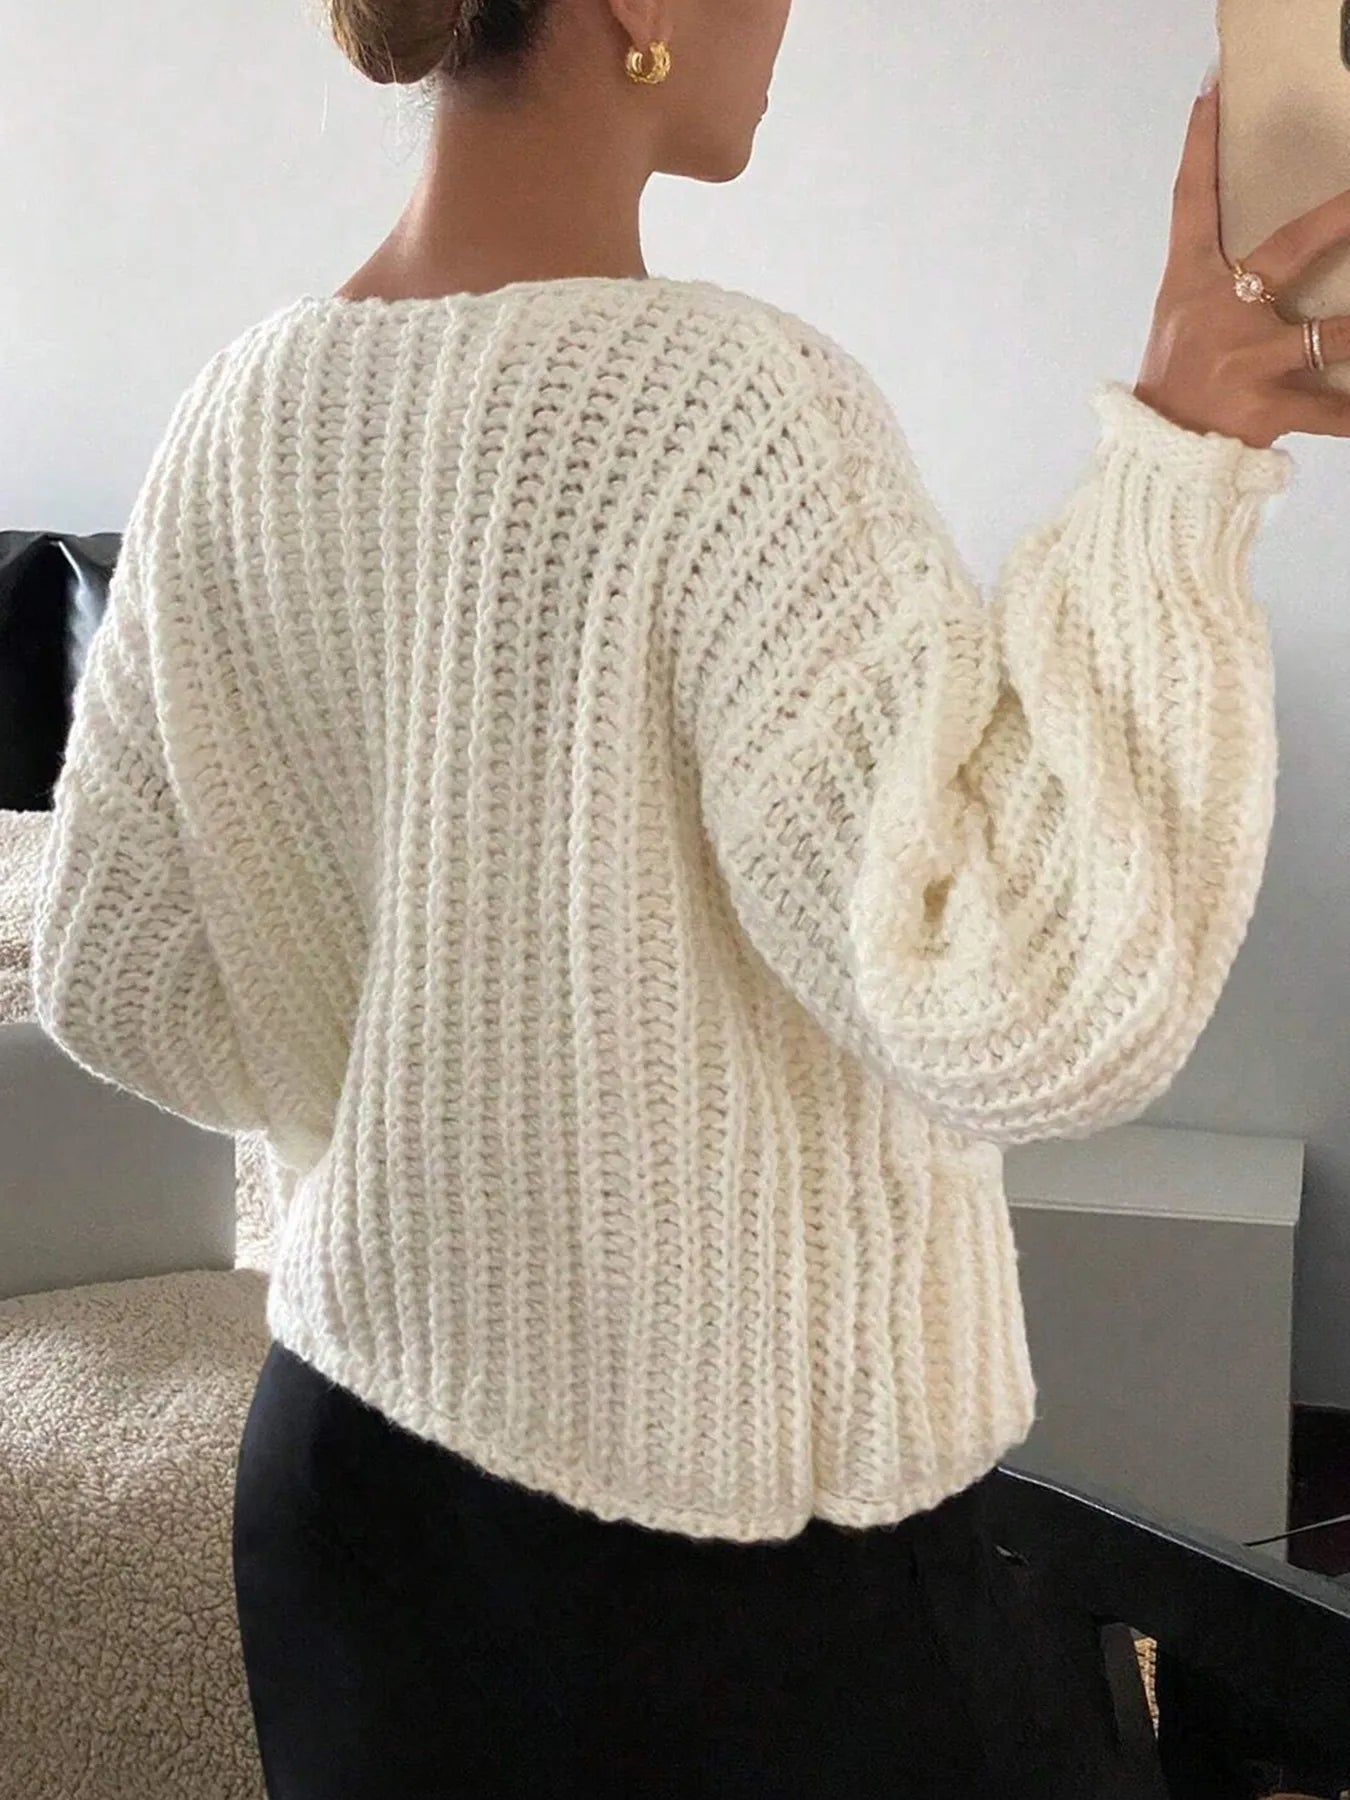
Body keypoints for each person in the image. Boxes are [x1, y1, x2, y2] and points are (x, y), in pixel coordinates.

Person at [29, 1, 1350, 1794]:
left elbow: (114, 971)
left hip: (352, 1497)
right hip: (725, 1574)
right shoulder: (727, 412)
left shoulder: (232, 415)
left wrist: (424, 1114)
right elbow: (1026, 1003)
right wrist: (1174, 473)